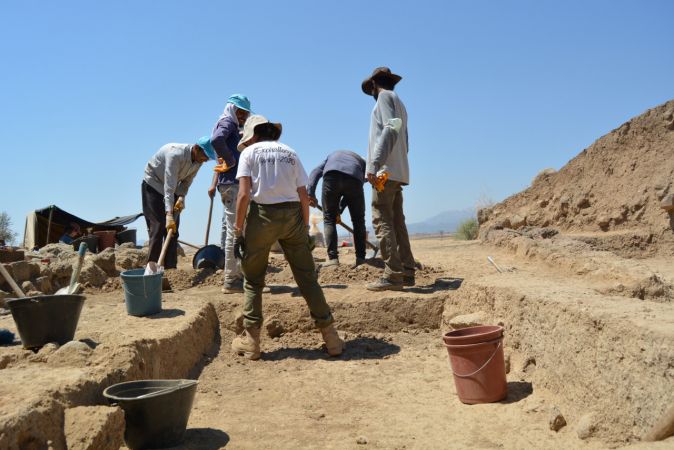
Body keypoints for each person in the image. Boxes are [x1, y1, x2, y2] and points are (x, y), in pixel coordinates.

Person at [230, 115, 344, 360]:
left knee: (253, 279)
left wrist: (238, 230)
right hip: (293, 214)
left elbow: (243, 196)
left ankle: (251, 342)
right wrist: (304, 227)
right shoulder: (290, 152)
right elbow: (303, 195)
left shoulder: (248, 154)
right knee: (307, 278)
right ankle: (331, 338)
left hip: (262, 216)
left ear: (253, 136)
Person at [362, 66, 415, 291]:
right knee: (396, 222)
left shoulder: (384, 97)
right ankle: (407, 272)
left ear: (374, 84)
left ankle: (393, 275)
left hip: (385, 171)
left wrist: (375, 163)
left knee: (382, 218)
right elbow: (406, 140)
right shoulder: (399, 102)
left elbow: (390, 130)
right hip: (397, 170)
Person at [142, 137, 216, 269]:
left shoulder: (198, 161)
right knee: (158, 227)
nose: (205, 160)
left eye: (208, 158)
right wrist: (169, 214)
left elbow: (187, 181)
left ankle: (171, 269)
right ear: (196, 149)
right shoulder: (175, 155)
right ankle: (152, 268)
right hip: (153, 184)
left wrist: (181, 196)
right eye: (205, 156)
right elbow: (169, 187)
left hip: (173, 188)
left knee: (173, 230)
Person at [208, 94, 252, 294]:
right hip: (232, 185)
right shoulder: (227, 123)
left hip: (230, 185)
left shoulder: (231, 125)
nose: (242, 117)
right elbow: (216, 140)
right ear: (232, 110)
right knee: (235, 232)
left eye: (245, 114)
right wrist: (231, 160)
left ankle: (235, 276)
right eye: (240, 112)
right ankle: (231, 280)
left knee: (234, 231)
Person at [307, 150, 367, 268]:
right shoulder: (361, 164)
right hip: (354, 179)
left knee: (329, 219)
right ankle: (361, 259)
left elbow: (315, 172)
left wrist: (310, 193)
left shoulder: (332, 157)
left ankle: (333, 260)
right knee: (358, 220)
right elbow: (354, 189)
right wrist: (338, 209)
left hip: (331, 176)